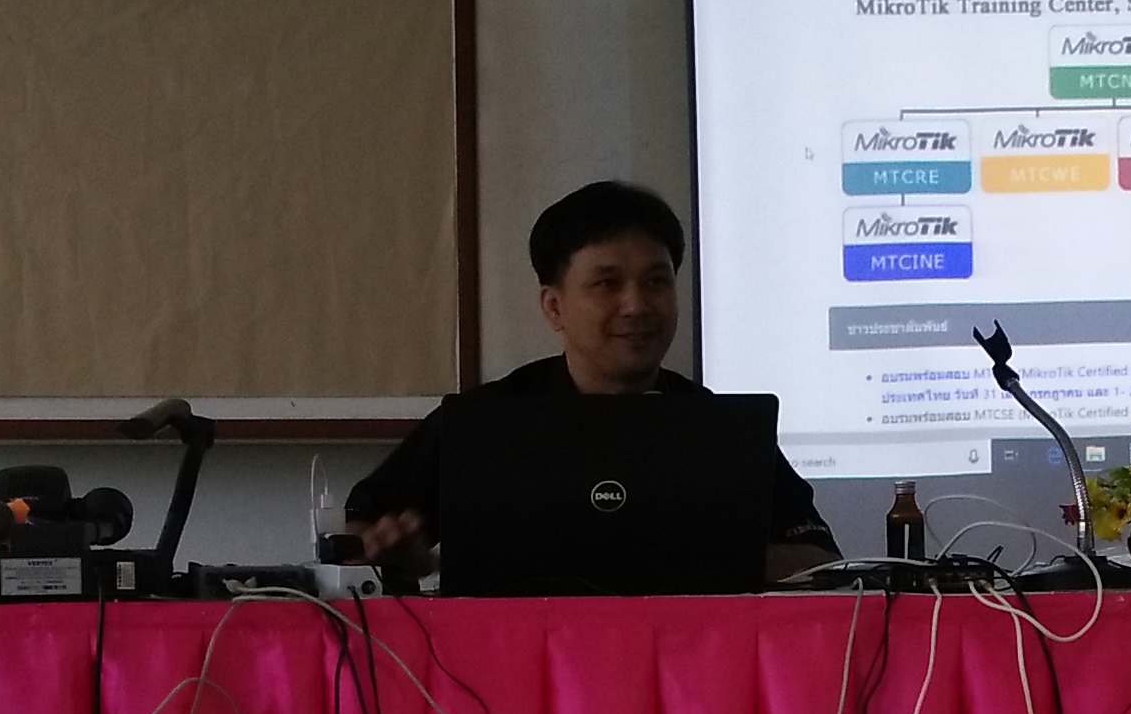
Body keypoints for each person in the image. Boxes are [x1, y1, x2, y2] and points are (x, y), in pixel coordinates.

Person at [346, 180, 837, 586]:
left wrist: (719, 561)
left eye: (656, 281)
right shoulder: (484, 423)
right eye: (607, 284)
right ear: (554, 306)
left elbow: (819, 558)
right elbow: (358, 532)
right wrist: (396, 555)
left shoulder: (719, 430)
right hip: (506, 664)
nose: (637, 306)